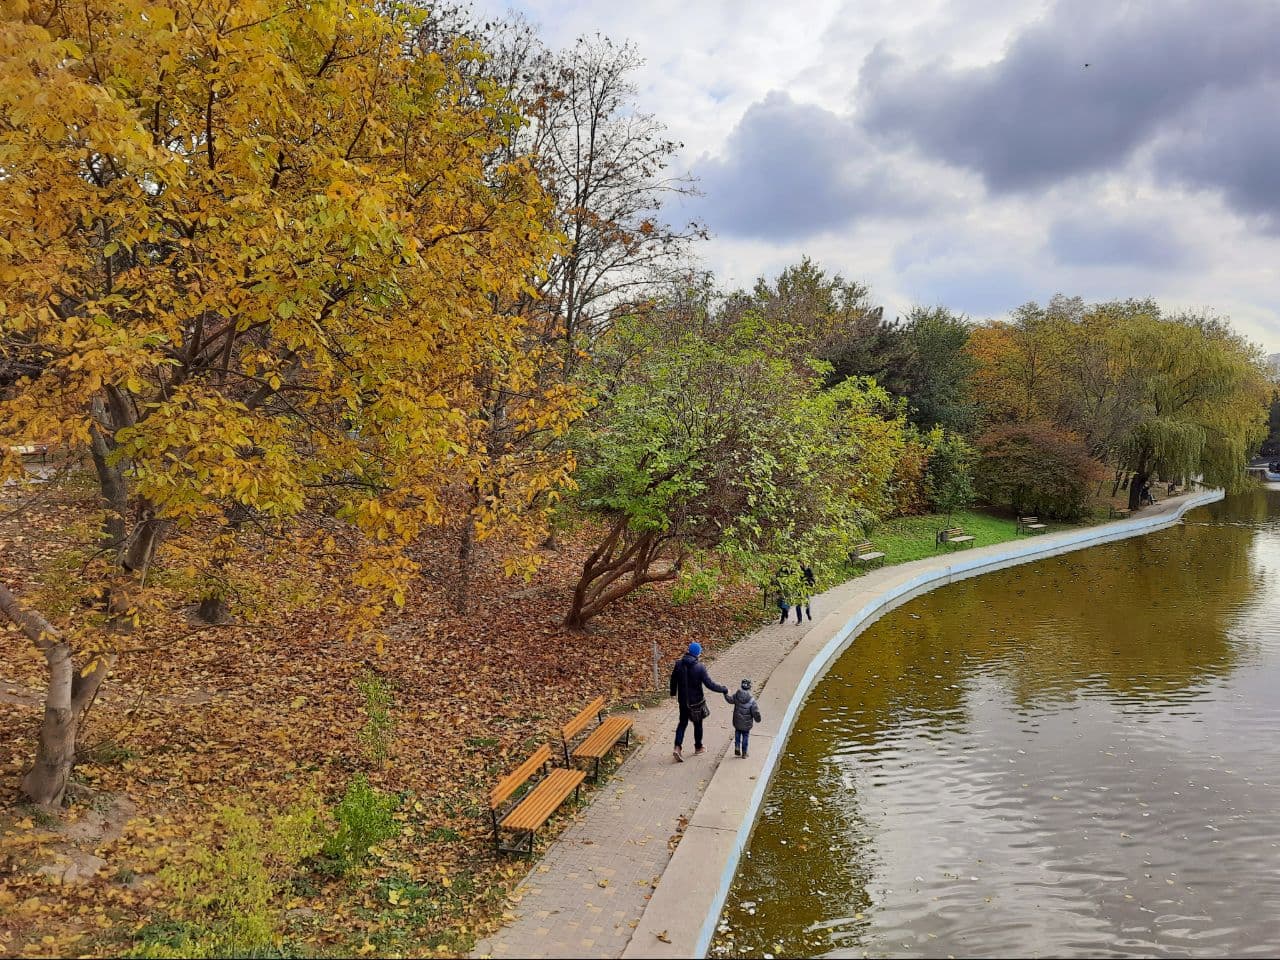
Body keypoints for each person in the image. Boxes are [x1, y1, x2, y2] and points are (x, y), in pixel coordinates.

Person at [669, 642, 728, 762]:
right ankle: (698, 747)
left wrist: (673, 693)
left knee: (682, 723)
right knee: (698, 725)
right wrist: (723, 689)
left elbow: (673, 679)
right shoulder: (699, 667)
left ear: (688, 651)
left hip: (683, 701)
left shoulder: (679, 664)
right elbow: (710, 684)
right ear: (698, 653)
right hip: (696, 702)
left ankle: (677, 747)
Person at [724, 678, 763, 758]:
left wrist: (725, 694)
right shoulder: (752, 700)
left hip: (737, 721)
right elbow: (755, 712)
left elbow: (730, 700)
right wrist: (758, 719)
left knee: (737, 733)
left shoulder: (736, 695)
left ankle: (737, 747)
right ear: (749, 687)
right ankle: (744, 753)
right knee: (745, 736)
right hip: (747, 724)